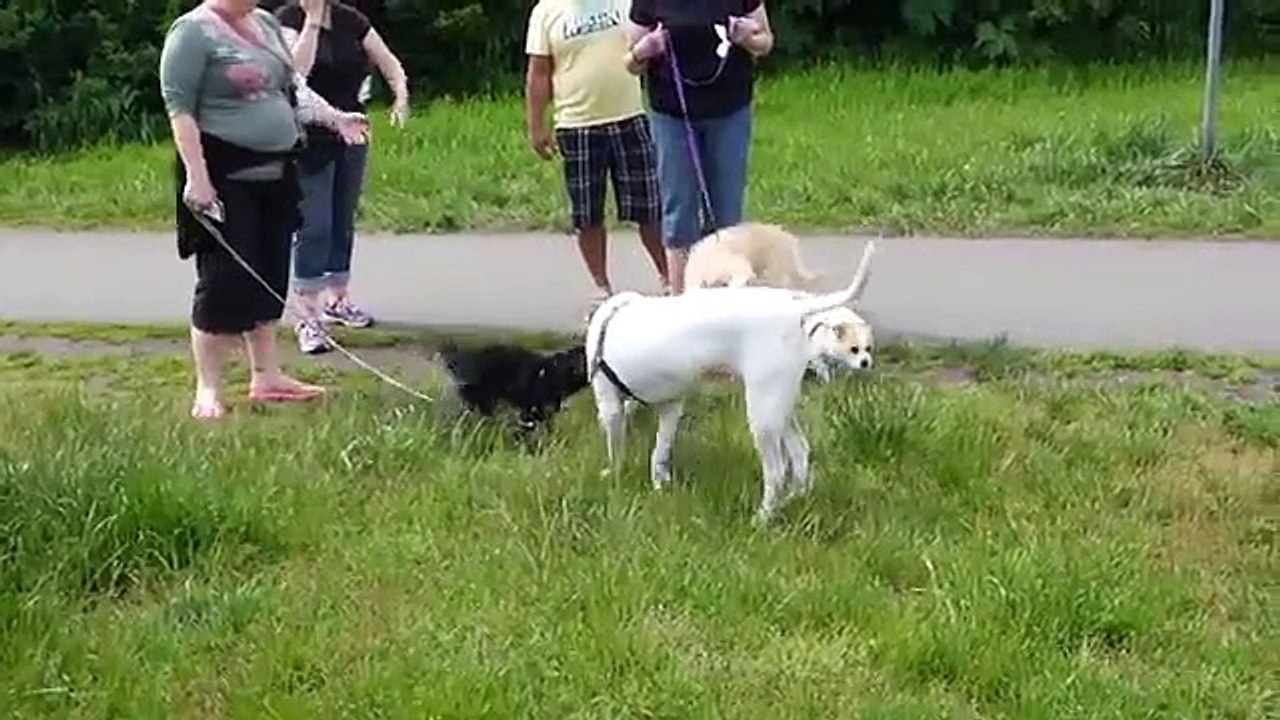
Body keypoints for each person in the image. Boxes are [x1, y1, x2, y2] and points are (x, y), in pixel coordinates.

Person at [160, 0, 370, 419]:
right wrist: (197, 177)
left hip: (277, 174)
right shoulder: (192, 32)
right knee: (223, 281)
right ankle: (209, 390)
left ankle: (267, 376)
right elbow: (179, 109)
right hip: (224, 176)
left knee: (271, 275)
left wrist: (335, 119)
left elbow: (291, 87)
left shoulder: (265, 24)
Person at [276, 0, 409, 354]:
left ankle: (338, 299)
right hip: (308, 136)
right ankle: (307, 316)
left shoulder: (351, 19)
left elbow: (388, 61)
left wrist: (400, 92)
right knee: (313, 225)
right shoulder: (288, 19)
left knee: (342, 219)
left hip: (353, 131)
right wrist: (314, 22)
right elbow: (295, 74)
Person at [525, 0, 670, 310]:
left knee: (650, 208)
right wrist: (536, 126)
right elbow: (539, 73)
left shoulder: (625, 2)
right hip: (577, 124)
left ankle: (670, 279)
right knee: (587, 213)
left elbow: (650, 40)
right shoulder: (547, 11)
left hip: (629, 116)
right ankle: (602, 287)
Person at [624, 0, 773, 293]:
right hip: (672, 114)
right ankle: (681, 300)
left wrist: (747, 38)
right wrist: (645, 50)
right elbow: (631, 62)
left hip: (729, 111)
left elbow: (765, 41)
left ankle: (722, 295)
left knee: (726, 213)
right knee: (679, 212)